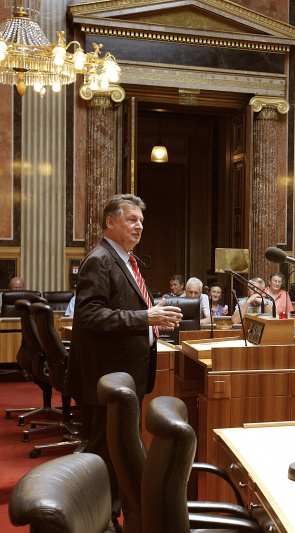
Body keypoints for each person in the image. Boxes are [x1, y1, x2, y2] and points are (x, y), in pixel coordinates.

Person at [71, 194, 182, 527]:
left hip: (125, 378)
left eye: (142, 222)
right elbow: (90, 315)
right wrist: (145, 317)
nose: (139, 227)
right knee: (104, 457)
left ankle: (112, 516)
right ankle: (96, 521)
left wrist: (150, 317)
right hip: (106, 380)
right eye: (132, 220)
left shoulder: (127, 261)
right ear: (111, 222)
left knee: (119, 457)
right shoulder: (101, 259)